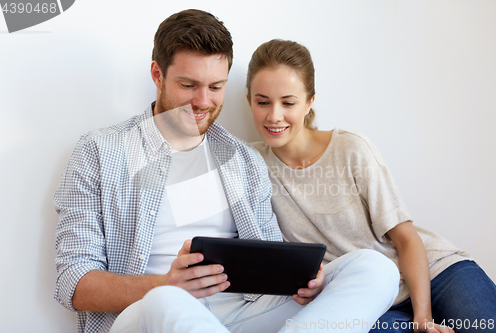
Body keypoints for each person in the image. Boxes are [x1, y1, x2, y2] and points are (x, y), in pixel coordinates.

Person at [54, 9, 401, 333]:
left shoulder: (242, 158)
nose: (203, 102)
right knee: (168, 300)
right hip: (150, 310)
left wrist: (300, 283)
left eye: (216, 87)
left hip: (238, 311)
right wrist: (165, 284)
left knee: (375, 267)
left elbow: (269, 252)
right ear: (158, 75)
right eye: (188, 86)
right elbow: (73, 281)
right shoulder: (99, 151)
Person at [247, 39, 496, 333]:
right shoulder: (250, 165)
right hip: (369, 298)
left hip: (433, 273)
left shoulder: (350, 148)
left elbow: (406, 239)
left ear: (309, 102)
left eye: (288, 103)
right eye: (263, 102)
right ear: (249, 100)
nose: (274, 115)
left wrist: (423, 317)